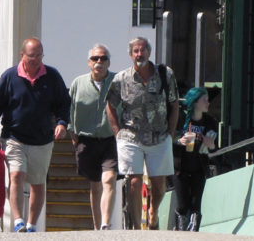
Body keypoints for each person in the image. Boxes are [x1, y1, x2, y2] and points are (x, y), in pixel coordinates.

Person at [0, 37, 71, 233]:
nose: (36, 60)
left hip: (42, 139)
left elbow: (64, 103)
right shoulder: (10, 77)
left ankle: (32, 225)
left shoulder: (52, 76)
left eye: (39, 55)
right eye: (32, 56)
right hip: (14, 137)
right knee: (16, 175)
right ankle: (18, 221)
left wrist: (62, 123)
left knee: (38, 183)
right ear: (22, 55)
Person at [106, 37, 179, 230]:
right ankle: (137, 229)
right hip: (131, 137)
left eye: (143, 50)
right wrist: (117, 132)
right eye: (136, 51)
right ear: (131, 55)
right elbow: (110, 105)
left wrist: (170, 133)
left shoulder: (165, 74)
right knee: (134, 181)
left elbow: (174, 104)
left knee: (159, 184)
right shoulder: (121, 79)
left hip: (160, 136)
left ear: (149, 52)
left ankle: (153, 212)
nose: (140, 54)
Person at [68, 43, 117, 230]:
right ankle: (98, 228)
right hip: (86, 141)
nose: (99, 62)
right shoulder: (78, 83)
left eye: (103, 58)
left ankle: (106, 223)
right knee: (95, 185)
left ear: (109, 62)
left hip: (110, 139)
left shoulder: (117, 81)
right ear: (89, 62)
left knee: (109, 178)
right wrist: (73, 134)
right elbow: (70, 110)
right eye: (95, 58)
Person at [170, 87, 218, 231]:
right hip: (180, 168)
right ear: (195, 102)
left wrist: (211, 145)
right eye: (205, 100)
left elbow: (215, 148)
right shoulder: (181, 119)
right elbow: (169, 137)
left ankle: (194, 234)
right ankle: (179, 232)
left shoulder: (210, 122)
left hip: (199, 168)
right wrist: (180, 140)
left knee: (196, 206)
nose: (208, 103)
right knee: (182, 206)